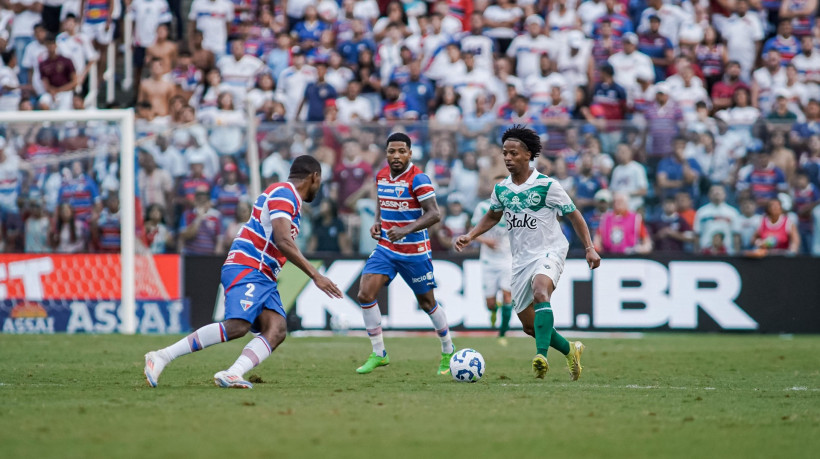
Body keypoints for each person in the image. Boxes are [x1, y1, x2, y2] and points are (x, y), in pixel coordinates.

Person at [144, 156, 343, 389]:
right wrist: (316, 275)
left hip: (263, 273)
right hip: (248, 266)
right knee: (237, 325)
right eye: (319, 183)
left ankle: (233, 373)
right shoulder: (284, 193)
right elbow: (283, 241)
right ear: (314, 177)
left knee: (276, 328)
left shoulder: (286, 196)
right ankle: (162, 356)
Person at [455, 125, 600, 381]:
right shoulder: (502, 189)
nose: (508, 158)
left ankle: (540, 357)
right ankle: (570, 350)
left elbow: (574, 215)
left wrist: (589, 248)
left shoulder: (547, 185)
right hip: (520, 259)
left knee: (540, 290)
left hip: (550, 250)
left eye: (513, 153)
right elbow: (492, 215)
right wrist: (472, 235)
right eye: (505, 153)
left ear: (528, 154)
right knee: (530, 326)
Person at [355, 132, 456, 375]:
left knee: (427, 303)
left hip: (415, 253)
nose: (397, 155)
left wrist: (405, 230)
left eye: (402, 151)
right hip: (387, 249)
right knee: (365, 293)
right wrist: (378, 222)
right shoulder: (381, 175)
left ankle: (447, 349)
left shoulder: (418, 179)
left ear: (410, 153)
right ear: (386, 153)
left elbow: (434, 214)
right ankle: (379, 353)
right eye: (392, 151)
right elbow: (382, 199)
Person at [471, 174, 513, 342]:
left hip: (507, 259)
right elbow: (472, 231)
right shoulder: (482, 207)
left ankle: (503, 334)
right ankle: (494, 310)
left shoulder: (514, 207)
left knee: (507, 296)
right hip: (488, 261)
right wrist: (485, 240)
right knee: (490, 303)